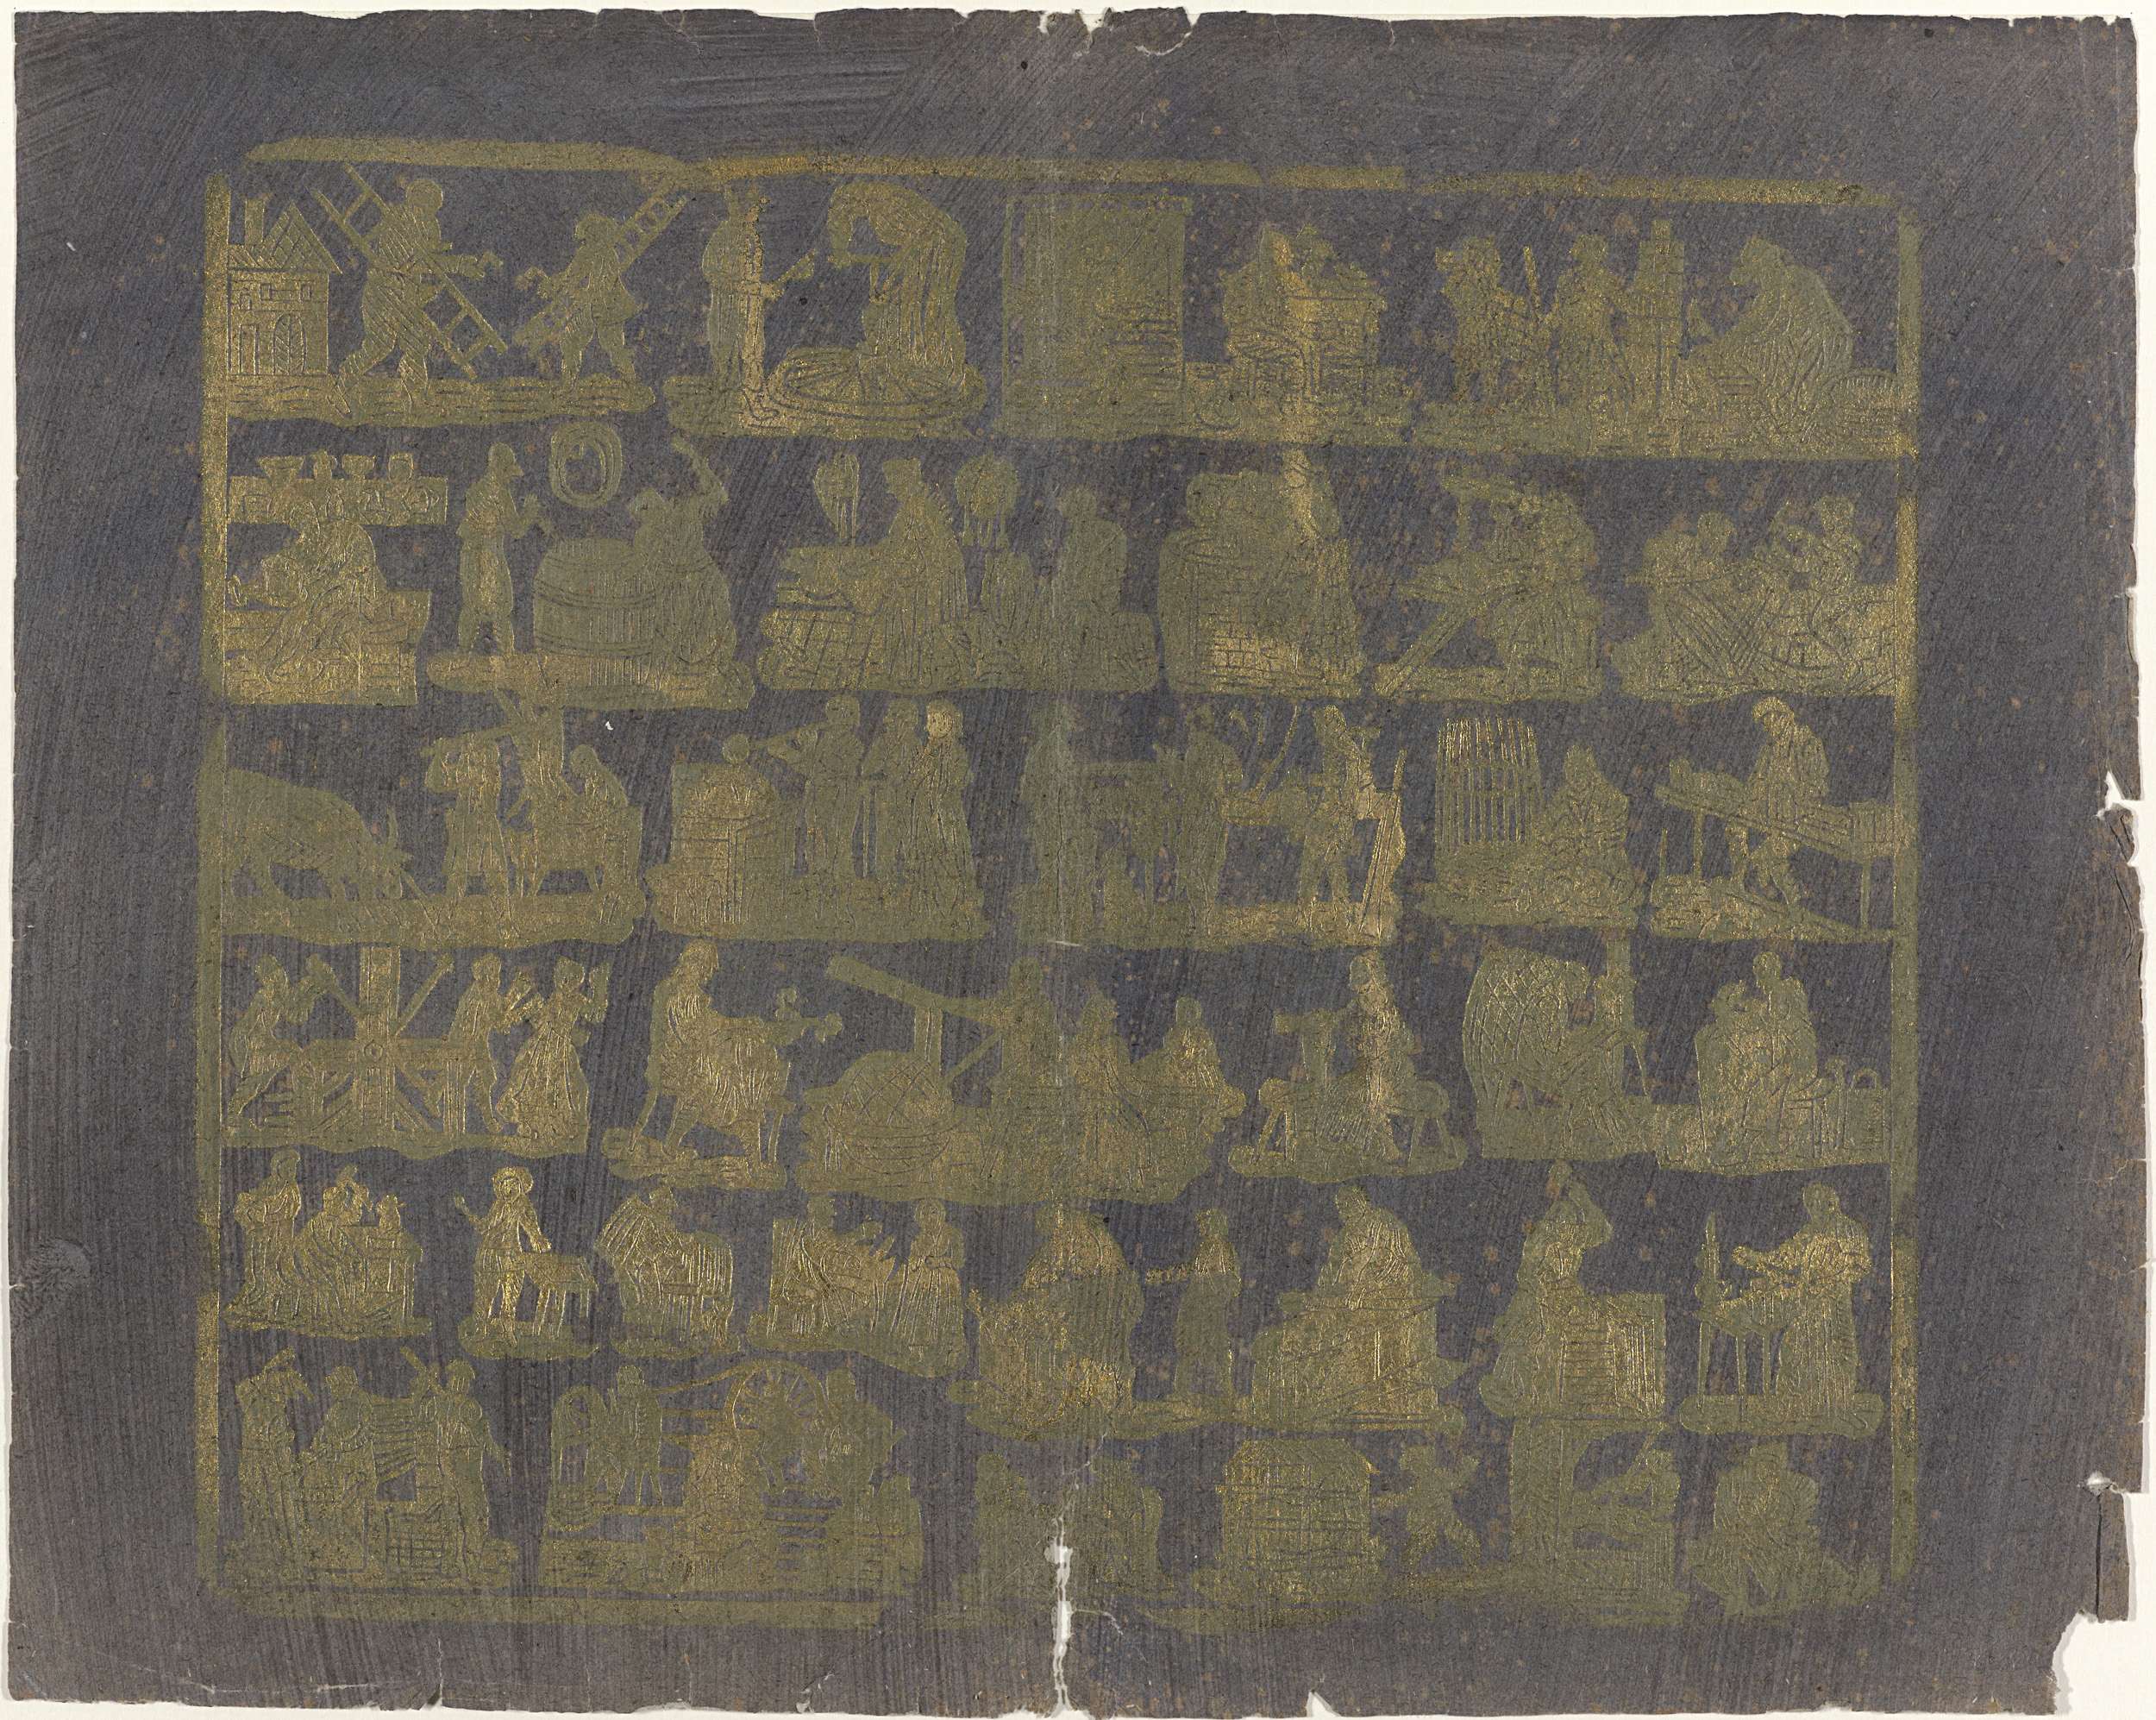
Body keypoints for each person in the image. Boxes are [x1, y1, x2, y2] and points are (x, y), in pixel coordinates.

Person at [1732, 1183, 1871, 1412]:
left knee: (1837, 1352)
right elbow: (1785, 1256)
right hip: (1808, 1304)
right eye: (1810, 1204)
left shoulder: (1849, 1230)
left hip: (1834, 1304)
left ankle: (1837, 1405)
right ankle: (1798, 1404)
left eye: (1818, 1203)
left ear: (1831, 1203)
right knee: (1793, 1350)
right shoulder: (1810, 1232)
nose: (1814, 1208)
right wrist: (1757, 1258)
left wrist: (1831, 1277)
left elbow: (1861, 1265)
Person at [339, 179, 492, 384]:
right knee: (381, 344)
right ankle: (346, 377)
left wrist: (452, 267)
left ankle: (414, 390)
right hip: (383, 292)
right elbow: (416, 261)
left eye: (431, 208)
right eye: (426, 205)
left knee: (416, 342)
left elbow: (427, 259)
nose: (427, 213)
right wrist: (457, 265)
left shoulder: (428, 225)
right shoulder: (398, 223)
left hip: (404, 296)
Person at [515, 212, 640, 382]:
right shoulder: (585, 253)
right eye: (586, 234)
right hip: (589, 308)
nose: (587, 238)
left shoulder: (608, 255)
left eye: (591, 233)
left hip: (609, 309)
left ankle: (631, 382)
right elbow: (569, 276)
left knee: (613, 346)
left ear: (598, 233)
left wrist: (580, 294)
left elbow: (605, 285)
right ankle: (568, 385)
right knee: (570, 340)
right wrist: (552, 284)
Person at [701, 185, 799, 399]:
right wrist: (760, 289)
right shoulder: (723, 237)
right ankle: (726, 401)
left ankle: (752, 398)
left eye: (757, 208)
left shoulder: (753, 236)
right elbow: (712, 274)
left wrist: (764, 290)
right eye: (754, 207)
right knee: (726, 356)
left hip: (751, 308)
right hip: (727, 308)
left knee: (753, 353)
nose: (757, 212)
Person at [498, 958, 609, 1142]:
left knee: (567, 1086)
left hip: (560, 1047)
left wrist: (599, 987)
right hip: (543, 1047)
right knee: (537, 1085)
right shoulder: (550, 1000)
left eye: (573, 981)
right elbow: (529, 1013)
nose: (568, 984)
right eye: (565, 979)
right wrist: (513, 1014)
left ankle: (552, 1125)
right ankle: (532, 1125)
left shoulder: (575, 1000)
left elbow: (595, 1014)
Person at [764, 695, 865, 887]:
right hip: (818, 795)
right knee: (815, 833)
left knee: (836, 837)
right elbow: (811, 768)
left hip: (839, 797)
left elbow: (818, 769)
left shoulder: (854, 745)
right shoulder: (825, 739)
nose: (839, 717)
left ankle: (841, 881)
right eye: (835, 711)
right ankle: (818, 876)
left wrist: (788, 752)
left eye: (846, 713)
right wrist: (801, 748)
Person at [456, 444, 546, 653]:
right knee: (501, 604)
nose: (511, 478)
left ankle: (463, 652)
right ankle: (507, 655)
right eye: (508, 472)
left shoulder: (478, 488)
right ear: (500, 469)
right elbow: (516, 529)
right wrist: (530, 512)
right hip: (488, 554)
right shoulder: (499, 492)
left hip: (470, 552)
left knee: (472, 605)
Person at [1739, 698, 1830, 905]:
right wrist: (1752, 799)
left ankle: (1793, 900)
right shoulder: (1770, 747)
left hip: (1802, 820)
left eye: (1771, 722)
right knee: (1746, 840)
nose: (1768, 728)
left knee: (1763, 859)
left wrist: (1790, 784)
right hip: (1775, 819)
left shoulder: (1806, 743)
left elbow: (1819, 789)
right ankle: (1790, 901)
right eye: (1765, 725)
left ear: (1784, 718)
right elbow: (1758, 779)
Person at [1147, 1208, 1238, 1401]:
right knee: (1188, 1344)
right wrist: (1163, 1276)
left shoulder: (1223, 1248)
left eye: (1204, 1223)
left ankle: (1226, 1391)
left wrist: (1217, 1299)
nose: (1200, 1228)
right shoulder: (1202, 1248)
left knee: (1218, 1347)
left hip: (1210, 1304)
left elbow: (1231, 1281)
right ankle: (1182, 1390)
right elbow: (1189, 1270)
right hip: (1195, 1302)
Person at [442, 956, 536, 1133]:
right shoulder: (476, 996)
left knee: (472, 1080)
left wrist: (519, 992)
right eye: (493, 974)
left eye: (497, 974)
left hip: (476, 1043)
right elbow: (497, 1018)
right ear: (484, 975)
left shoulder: (487, 994)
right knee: (481, 1078)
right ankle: (481, 1121)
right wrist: (519, 996)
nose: (496, 979)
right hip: (468, 1043)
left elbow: (501, 1012)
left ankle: (439, 1096)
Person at [454, 1166, 551, 1324]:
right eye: (506, 1185)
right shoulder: (499, 1206)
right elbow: (484, 1226)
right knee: (486, 1297)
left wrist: (538, 1239)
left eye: (513, 1184)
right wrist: (465, 1210)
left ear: (521, 1186)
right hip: (491, 1255)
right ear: (501, 1189)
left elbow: (530, 1225)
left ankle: (507, 1329)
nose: (510, 1189)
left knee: (511, 1298)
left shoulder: (522, 1204)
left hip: (513, 1255)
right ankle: (482, 1327)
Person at [903, 701, 974, 913]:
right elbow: (913, 781)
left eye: (933, 721)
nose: (927, 727)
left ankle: (951, 905)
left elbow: (957, 781)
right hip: (924, 813)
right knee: (926, 856)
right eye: (929, 721)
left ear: (947, 723)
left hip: (944, 814)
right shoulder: (927, 752)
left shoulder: (956, 753)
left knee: (947, 853)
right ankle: (929, 905)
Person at [1376, 1445, 1482, 1571]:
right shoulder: (1420, 1486)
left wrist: (1468, 1468)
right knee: (1419, 1544)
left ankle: (1474, 1563)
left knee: (1462, 1537)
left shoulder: (1436, 1477)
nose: (1412, 1472)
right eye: (1411, 1468)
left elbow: (1456, 1480)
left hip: (1443, 1518)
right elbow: (1406, 1498)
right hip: (1427, 1523)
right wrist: (1387, 1502)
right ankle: (1408, 1569)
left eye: (1413, 1466)